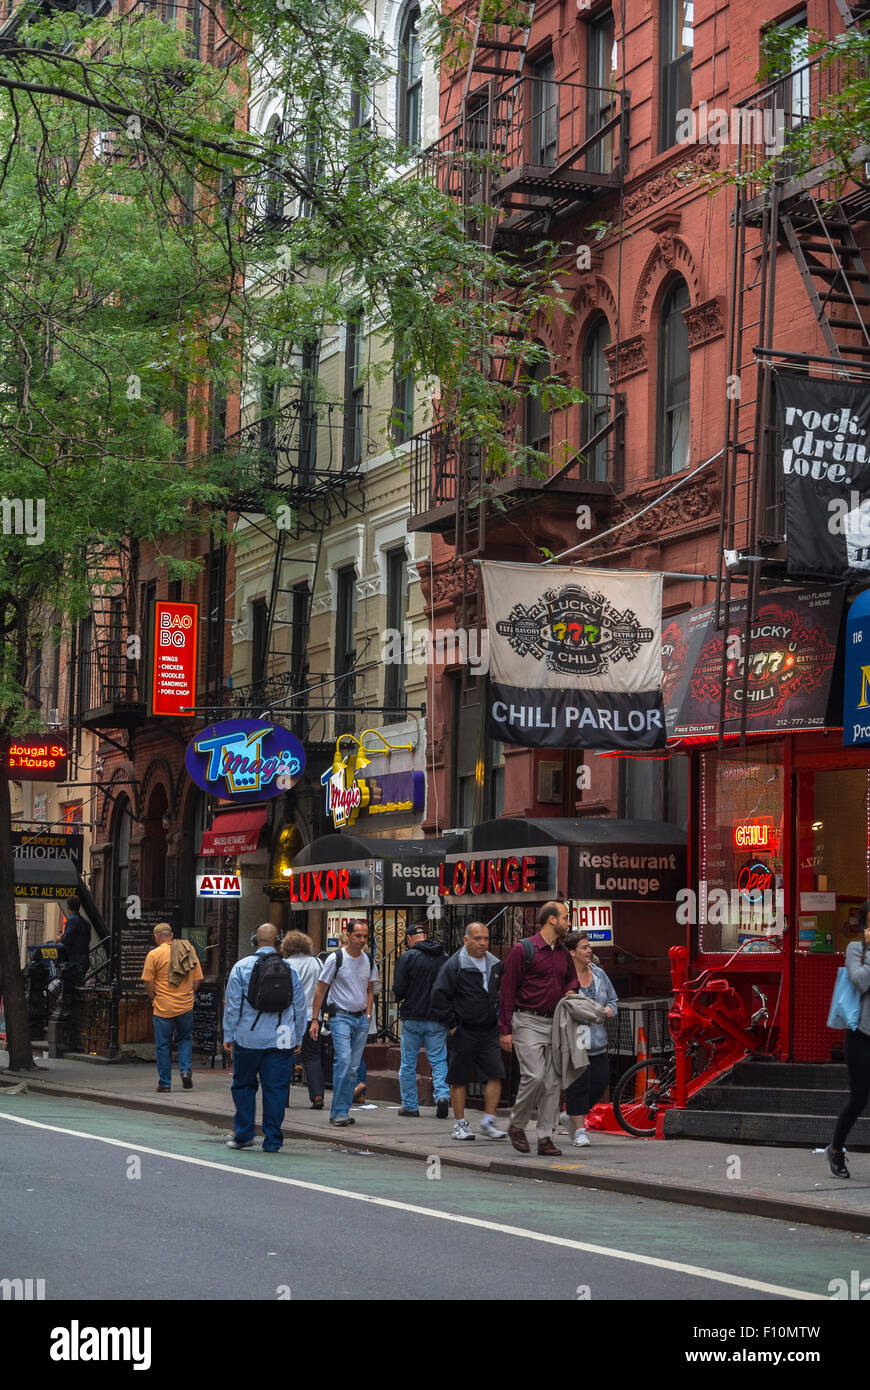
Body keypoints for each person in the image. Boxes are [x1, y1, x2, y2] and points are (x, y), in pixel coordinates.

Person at [499, 900, 577, 1156]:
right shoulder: (524, 949)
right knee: (535, 1075)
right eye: (565, 917)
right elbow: (507, 990)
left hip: (554, 1022)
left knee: (553, 1083)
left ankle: (545, 1138)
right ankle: (517, 1125)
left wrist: (570, 992)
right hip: (527, 1020)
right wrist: (505, 1029)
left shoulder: (563, 953)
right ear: (551, 919)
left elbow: (571, 982)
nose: (568, 922)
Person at [222, 923, 307, 1152]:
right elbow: (299, 1006)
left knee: (243, 1085)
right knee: (276, 1090)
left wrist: (228, 1034)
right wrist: (299, 1037)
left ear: (254, 940)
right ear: (278, 941)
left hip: (248, 1037)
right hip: (282, 1039)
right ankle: (272, 1140)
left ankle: (244, 1134)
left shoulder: (241, 967)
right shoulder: (289, 969)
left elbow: (233, 1006)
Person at [430, 921, 508, 1141]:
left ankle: (489, 1121)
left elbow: (501, 993)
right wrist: (453, 1026)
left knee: (495, 1074)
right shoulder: (454, 965)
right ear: (466, 940)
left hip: (489, 1029)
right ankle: (460, 1124)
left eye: (486, 938)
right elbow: (438, 996)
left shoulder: (495, 963)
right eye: (477, 938)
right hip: (464, 1029)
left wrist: (500, 1021)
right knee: (459, 1077)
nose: (483, 943)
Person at [309, 919, 378, 1127]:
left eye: (365, 936)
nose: (362, 940)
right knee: (344, 1061)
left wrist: (368, 1015)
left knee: (353, 1068)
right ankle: (338, 1112)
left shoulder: (368, 960)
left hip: (361, 1018)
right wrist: (314, 1019)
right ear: (348, 935)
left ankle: (342, 1110)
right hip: (340, 1017)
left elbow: (370, 989)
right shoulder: (335, 958)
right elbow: (320, 989)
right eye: (358, 936)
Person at [563, 931, 618, 1148]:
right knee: (577, 1085)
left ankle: (571, 1114)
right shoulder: (565, 977)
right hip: (575, 1042)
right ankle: (579, 1131)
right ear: (572, 952)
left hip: (597, 1041)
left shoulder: (599, 974)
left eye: (589, 946)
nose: (589, 950)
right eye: (584, 947)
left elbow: (613, 999)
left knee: (600, 1081)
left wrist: (611, 1009)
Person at [827, 904, 870, 1178]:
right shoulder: (856, 949)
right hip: (861, 1036)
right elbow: (861, 980)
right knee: (859, 1098)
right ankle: (835, 1149)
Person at [393, 922, 450, 1118]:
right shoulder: (443, 957)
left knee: (408, 1063)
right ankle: (442, 1096)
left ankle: (410, 1105)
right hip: (437, 1017)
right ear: (425, 936)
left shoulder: (407, 957)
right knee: (439, 1060)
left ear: (410, 938)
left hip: (413, 1016)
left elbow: (399, 989)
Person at [141, 923, 203, 1093]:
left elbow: (148, 981)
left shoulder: (154, 954)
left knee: (163, 1045)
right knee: (185, 1039)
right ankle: (185, 1071)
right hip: (185, 1006)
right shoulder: (188, 951)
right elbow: (197, 980)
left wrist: (153, 997)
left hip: (163, 1007)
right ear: (171, 935)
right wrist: (189, 993)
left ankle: (165, 1084)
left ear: (156, 937)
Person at [281, 929, 325, 1109]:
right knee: (312, 1056)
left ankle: (283, 1097)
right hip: (312, 1015)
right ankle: (317, 1095)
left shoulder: (284, 965)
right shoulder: (317, 963)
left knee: (285, 1057)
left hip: (288, 1017)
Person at [57, 896, 91, 1049]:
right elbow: (87, 939)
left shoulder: (72, 920)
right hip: (84, 959)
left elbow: (68, 938)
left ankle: (71, 1029)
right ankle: (77, 1027)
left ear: (68, 907)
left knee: (70, 993)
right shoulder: (85, 922)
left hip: (74, 959)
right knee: (78, 990)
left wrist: (59, 938)